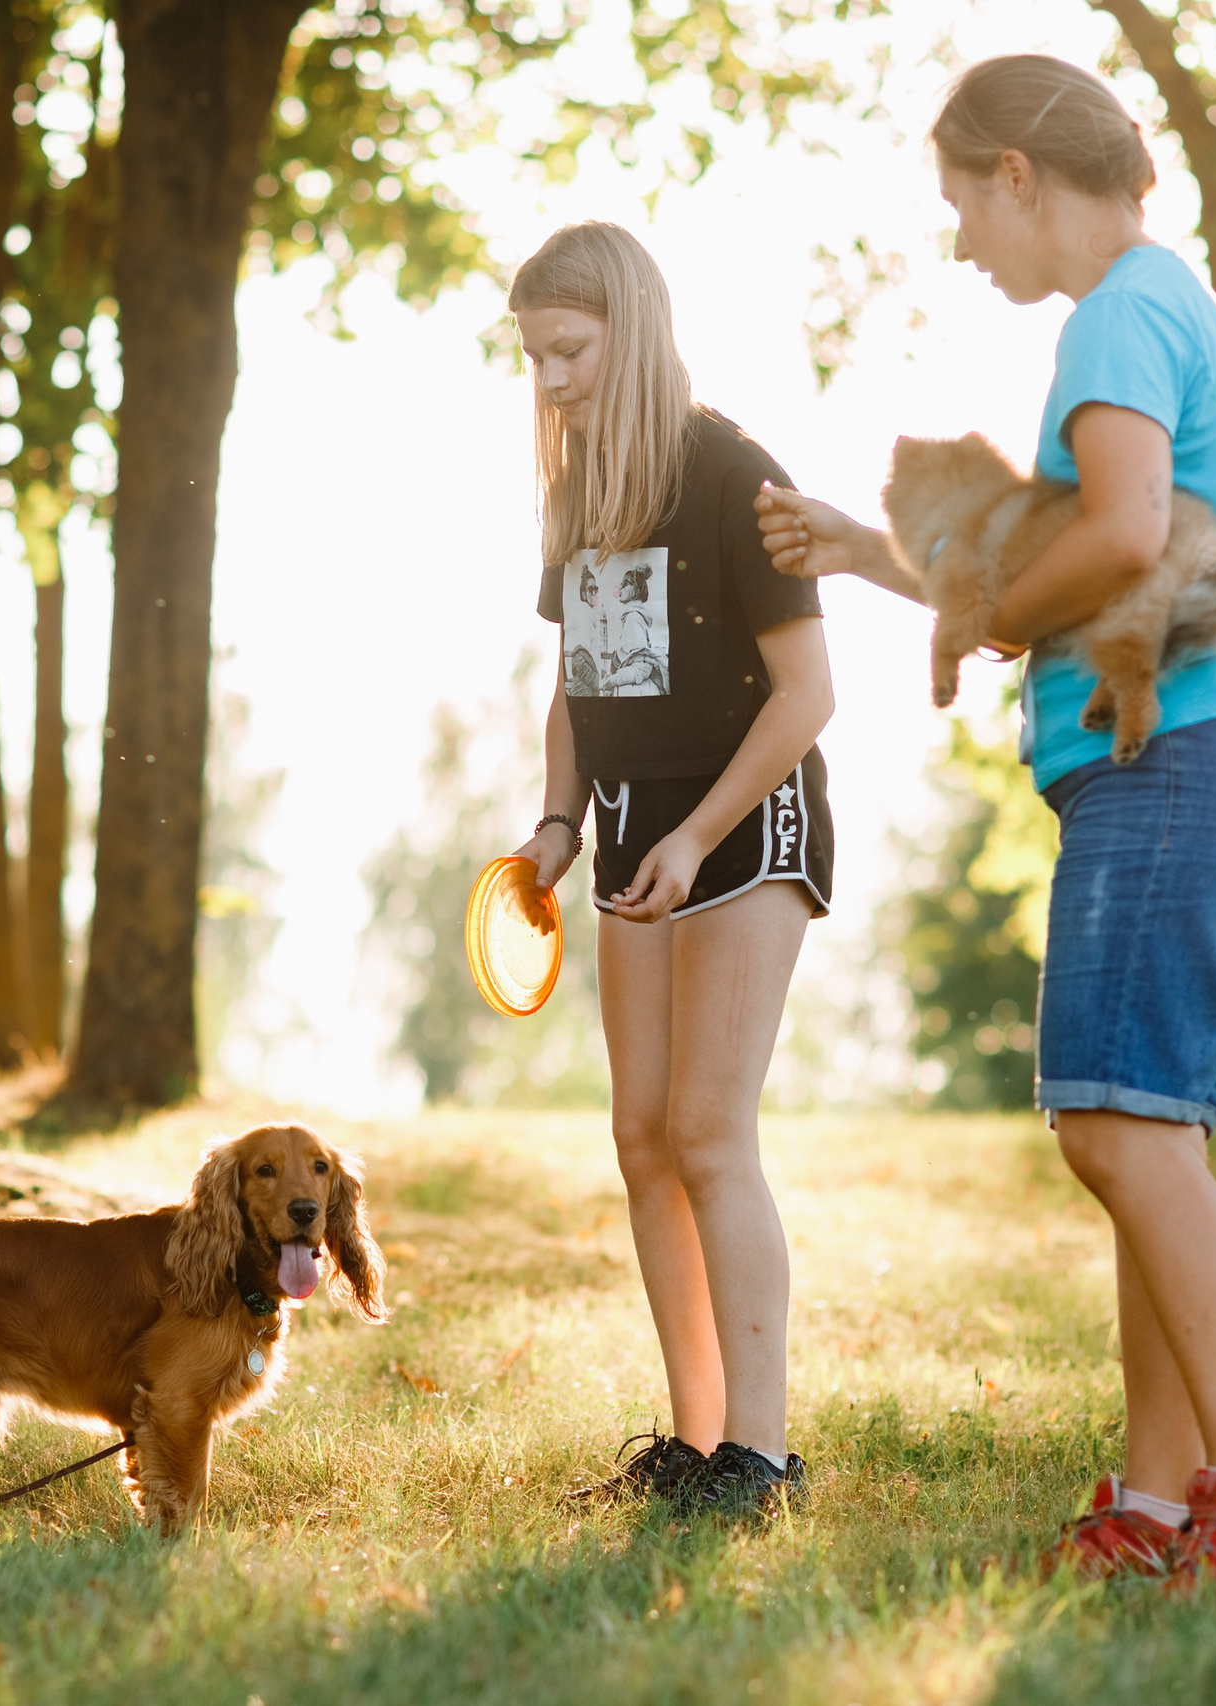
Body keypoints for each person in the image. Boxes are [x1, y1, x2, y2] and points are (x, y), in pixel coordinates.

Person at [755, 56, 1216, 1588]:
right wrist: (883, 559)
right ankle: (1160, 1506)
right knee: (1144, 1134)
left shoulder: (1120, 312)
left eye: (963, 198)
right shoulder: (1170, 305)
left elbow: (1119, 535)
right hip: (1211, 764)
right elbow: (1077, 561)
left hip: (1184, 764)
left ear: (1019, 171)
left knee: (1112, 1128)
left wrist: (975, 625)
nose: (963, 237)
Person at [503, 221, 837, 1513]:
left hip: (748, 821)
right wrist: (556, 823)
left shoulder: (735, 471)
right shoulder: (577, 492)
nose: (551, 381)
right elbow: (577, 685)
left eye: (570, 352)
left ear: (630, 333)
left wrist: (699, 836)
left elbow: (809, 692)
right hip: (636, 825)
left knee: (707, 1127)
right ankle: (697, 1448)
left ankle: (762, 1452)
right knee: (641, 1133)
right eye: (534, 358)